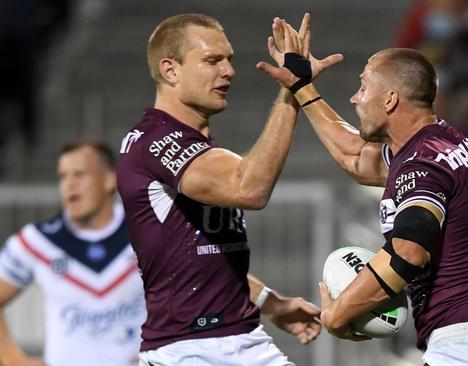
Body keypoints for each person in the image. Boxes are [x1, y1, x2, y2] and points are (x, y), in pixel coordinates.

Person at [258, 31, 468, 364]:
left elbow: (408, 249)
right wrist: (302, 88)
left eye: (364, 86)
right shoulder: (440, 141)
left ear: (390, 100)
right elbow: (355, 157)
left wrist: (338, 313)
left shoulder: (421, 165)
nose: (354, 98)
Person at [117, 13, 341, 366]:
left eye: (229, 60)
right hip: (187, 350)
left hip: (244, 339)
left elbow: (201, 251)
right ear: (170, 70)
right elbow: (249, 188)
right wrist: (291, 90)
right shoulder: (155, 141)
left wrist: (269, 301)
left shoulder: (196, 147)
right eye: (211, 60)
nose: (229, 71)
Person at [0, 140, 146, 366]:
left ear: (109, 180)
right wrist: (11, 358)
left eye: (80, 174)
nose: (69, 184)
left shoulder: (147, 232)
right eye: (63, 176)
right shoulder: (37, 242)